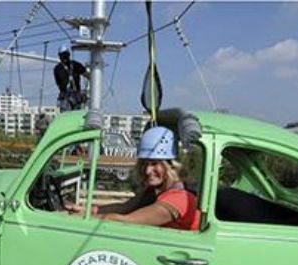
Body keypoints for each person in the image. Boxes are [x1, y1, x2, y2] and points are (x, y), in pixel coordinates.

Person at [68, 127, 200, 230]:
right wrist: (88, 210)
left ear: (170, 165)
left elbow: (125, 221)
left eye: (155, 164)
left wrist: (81, 219)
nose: (147, 171)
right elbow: (124, 207)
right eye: (145, 164)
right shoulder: (157, 191)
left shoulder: (178, 199)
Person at [54, 45, 88, 112]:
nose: (64, 58)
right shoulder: (74, 65)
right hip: (72, 97)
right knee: (73, 115)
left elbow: (58, 83)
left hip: (70, 97)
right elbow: (87, 75)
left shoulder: (58, 68)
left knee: (68, 115)